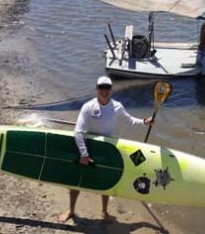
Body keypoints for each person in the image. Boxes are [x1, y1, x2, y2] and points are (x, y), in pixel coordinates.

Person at [59, 76, 153, 223]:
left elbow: (129, 120)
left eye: (107, 88)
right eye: (101, 87)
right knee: (76, 181)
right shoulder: (88, 107)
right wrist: (84, 154)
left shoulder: (117, 106)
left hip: (107, 149)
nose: (104, 90)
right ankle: (71, 210)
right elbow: (78, 132)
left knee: (106, 181)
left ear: (111, 90)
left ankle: (105, 212)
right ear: (97, 89)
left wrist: (144, 122)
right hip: (88, 146)